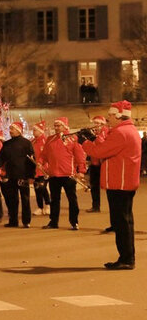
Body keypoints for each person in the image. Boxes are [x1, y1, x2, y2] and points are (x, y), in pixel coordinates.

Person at [80, 100, 141, 270]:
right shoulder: (128, 130)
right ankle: (127, 257)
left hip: (119, 183)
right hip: (123, 182)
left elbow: (99, 152)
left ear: (119, 116)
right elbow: (105, 149)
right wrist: (93, 139)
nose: (109, 119)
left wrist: (84, 142)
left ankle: (126, 259)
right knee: (125, 221)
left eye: (111, 116)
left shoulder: (121, 133)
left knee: (121, 223)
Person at [40, 117, 86, 230]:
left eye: (58, 126)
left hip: (68, 175)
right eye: (55, 126)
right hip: (54, 175)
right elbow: (44, 154)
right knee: (54, 200)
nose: (56, 128)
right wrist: (40, 162)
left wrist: (81, 171)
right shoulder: (50, 139)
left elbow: (80, 156)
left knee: (72, 199)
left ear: (64, 126)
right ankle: (53, 221)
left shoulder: (72, 139)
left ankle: (74, 222)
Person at [0, 122, 36, 228]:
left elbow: (31, 160)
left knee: (25, 199)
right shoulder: (7, 144)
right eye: (10, 128)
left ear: (19, 130)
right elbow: (1, 158)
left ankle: (26, 221)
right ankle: (13, 221)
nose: (10, 130)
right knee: (12, 200)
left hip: (23, 175)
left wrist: (31, 175)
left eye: (12, 128)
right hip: (11, 175)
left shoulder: (26, 143)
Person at [86, 116, 109, 213]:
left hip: (102, 163)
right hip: (94, 162)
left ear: (102, 124)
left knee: (108, 186)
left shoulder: (105, 132)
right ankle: (95, 206)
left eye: (97, 123)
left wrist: (92, 137)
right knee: (94, 185)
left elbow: (101, 144)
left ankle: (112, 206)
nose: (95, 126)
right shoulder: (97, 133)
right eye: (94, 123)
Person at [30, 121, 51, 216]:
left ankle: (48, 204)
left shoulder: (46, 141)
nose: (33, 132)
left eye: (35, 130)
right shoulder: (32, 142)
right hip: (35, 169)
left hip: (43, 170)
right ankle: (40, 207)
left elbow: (48, 156)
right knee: (37, 188)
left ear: (40, 131)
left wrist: (44, 165)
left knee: (42, 187)